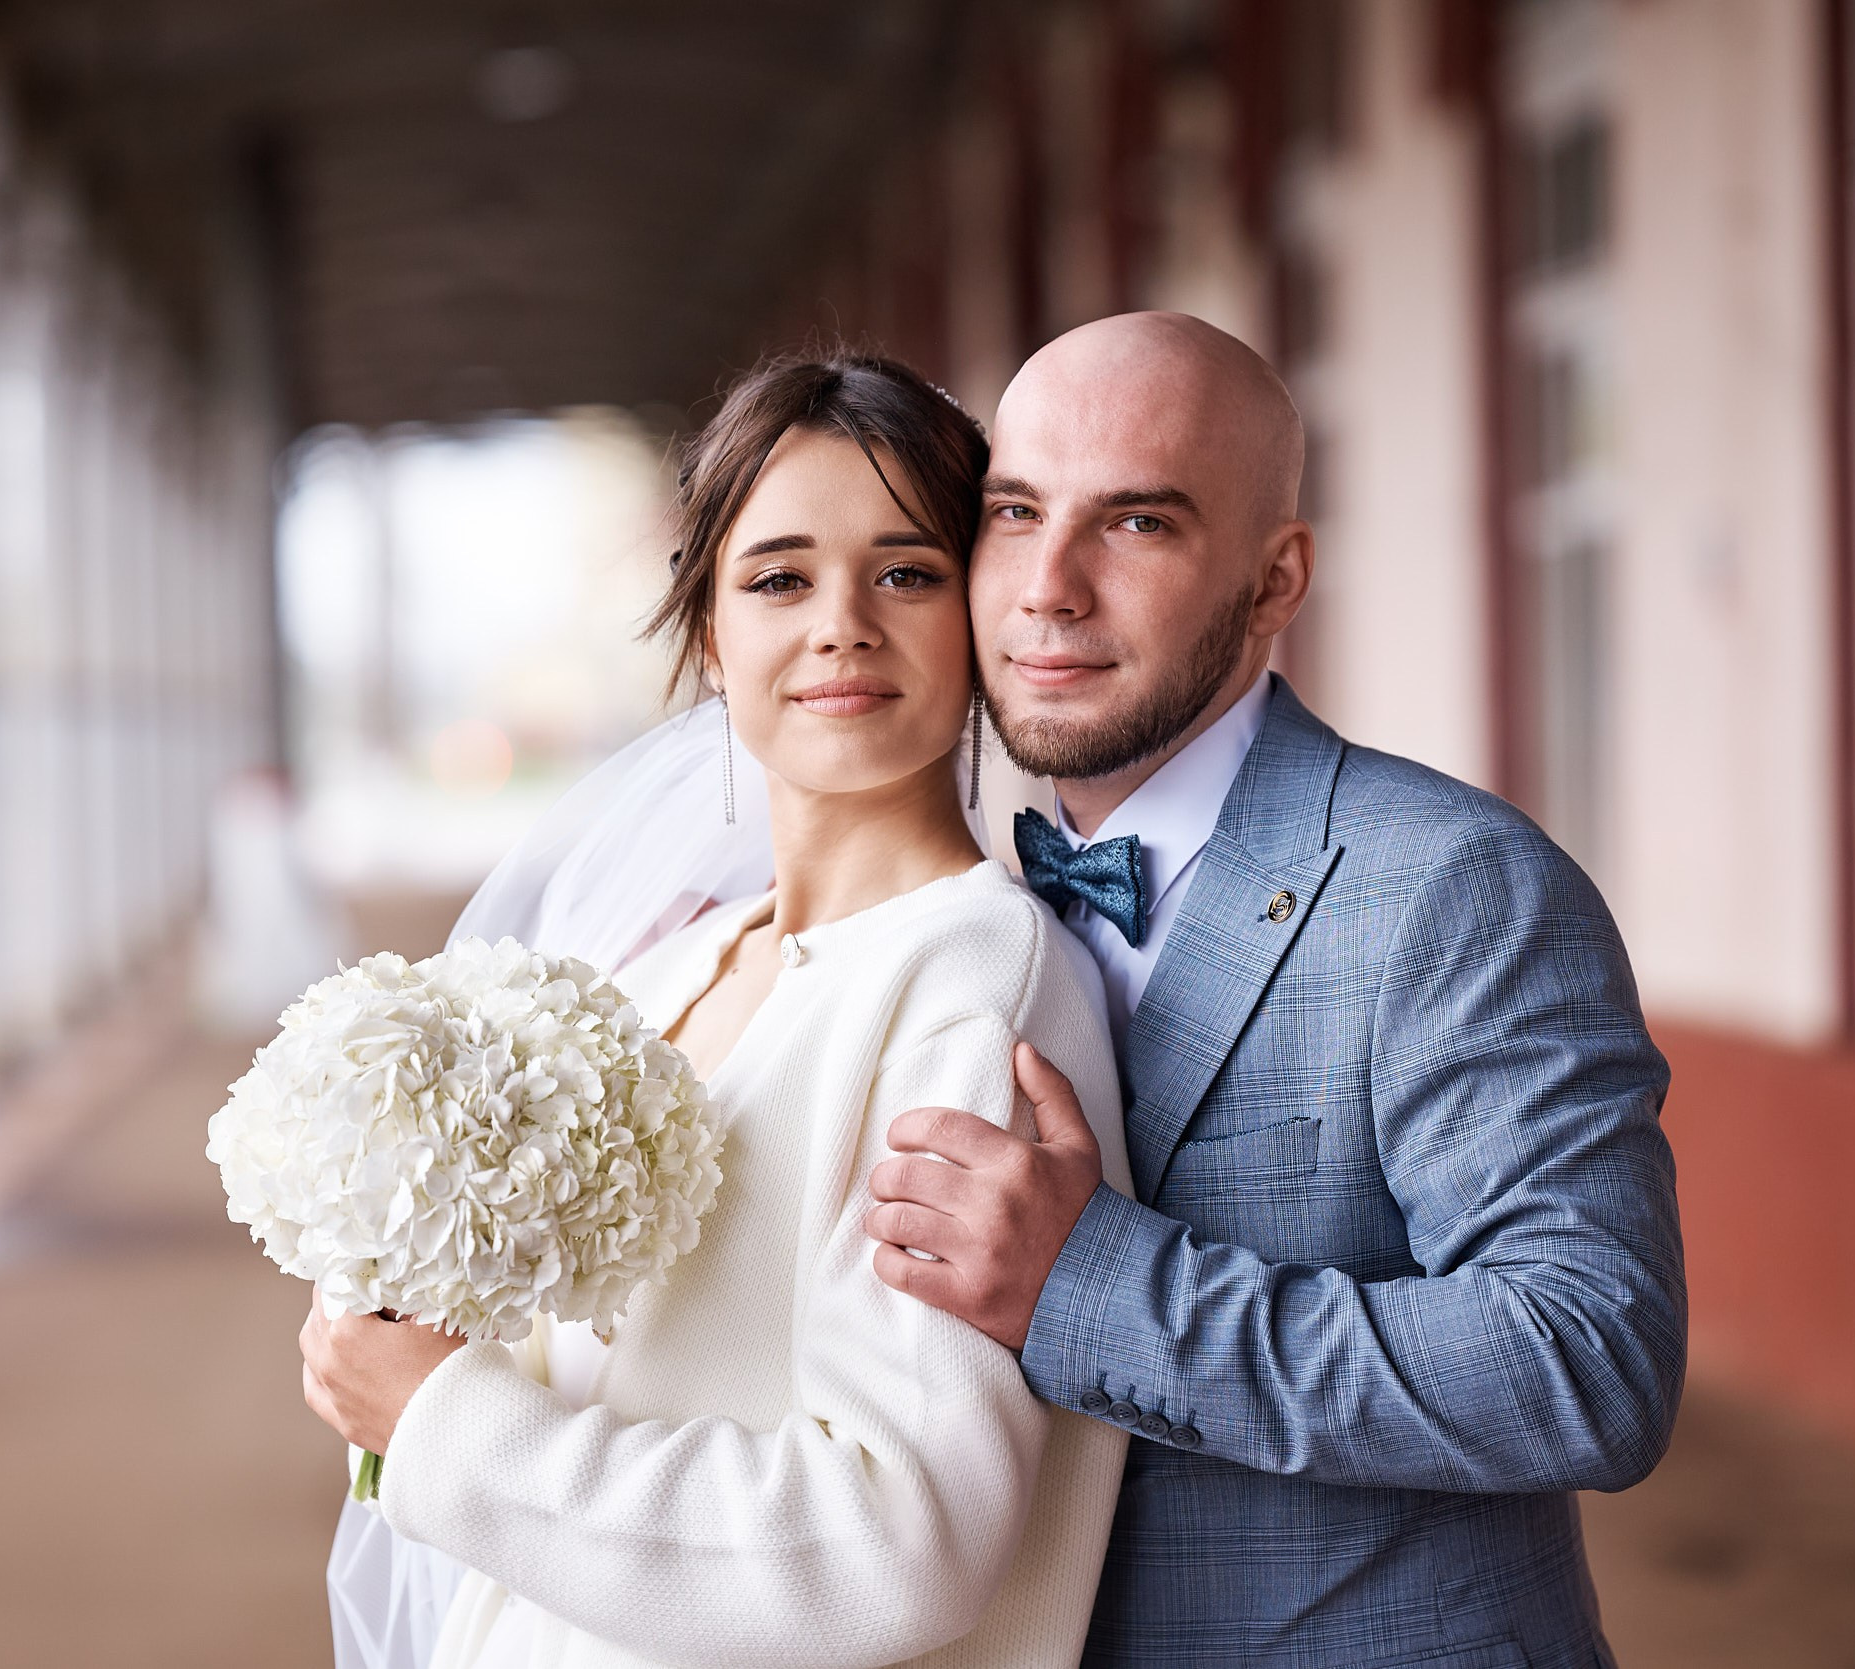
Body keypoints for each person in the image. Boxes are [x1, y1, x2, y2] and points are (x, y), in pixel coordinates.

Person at [862, 312, 1686, 1667]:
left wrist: (1090, 1281)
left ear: (1275, 576)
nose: (1049, 587)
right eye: (1016, 511)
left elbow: (1588, 1356)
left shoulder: (1455, 887)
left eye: (1137, 525)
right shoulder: (956, 914)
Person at [299, 352, 1136, 1668]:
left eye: (907, 571)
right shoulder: (665, 973)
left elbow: (899, 1540)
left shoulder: (972, 984)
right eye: (779, 577)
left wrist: (449, 1427)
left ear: (978, 616)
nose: (843, 623)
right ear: (709, 633)